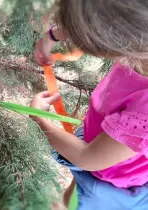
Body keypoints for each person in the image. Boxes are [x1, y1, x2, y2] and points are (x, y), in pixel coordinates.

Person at [31, 1, 148, 209]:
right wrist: (52, 36)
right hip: (101, 148)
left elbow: (87, 158)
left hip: (111, 181)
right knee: (76, 186)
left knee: (80, 198)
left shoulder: (144, 114)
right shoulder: (137, 39)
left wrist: (40, 119)